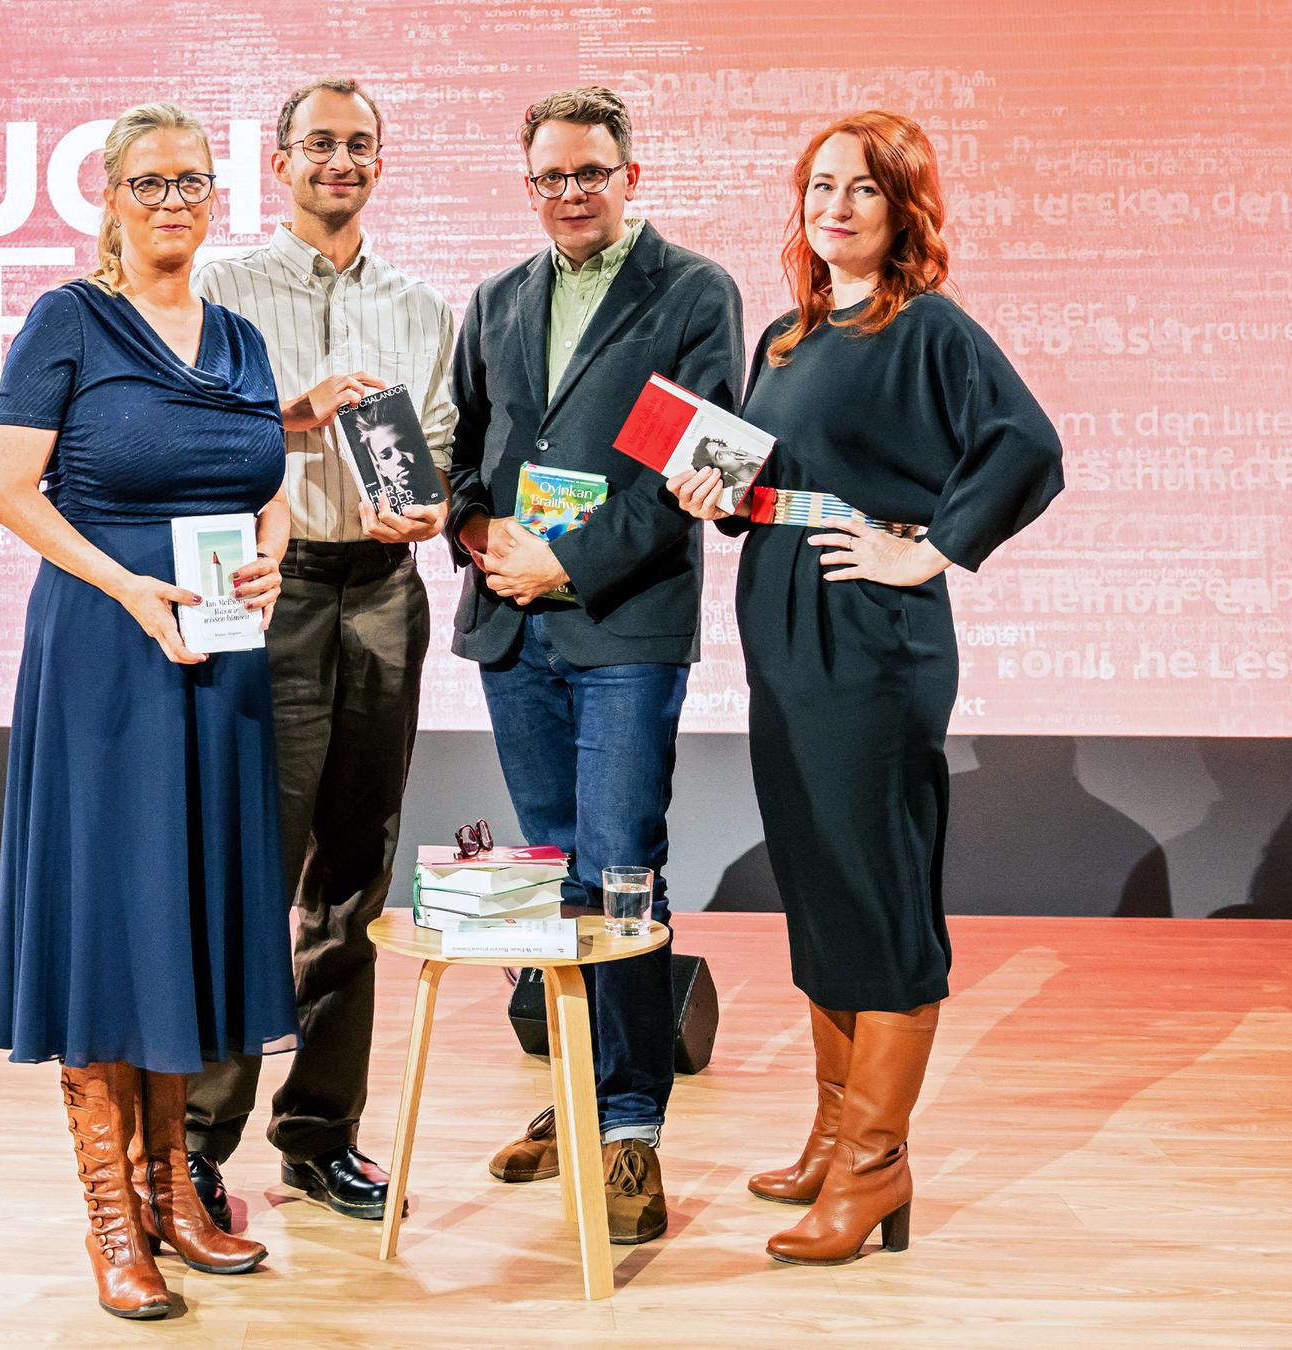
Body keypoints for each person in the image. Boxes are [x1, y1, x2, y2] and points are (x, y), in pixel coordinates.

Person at [668, 110, 1063, 1265]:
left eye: (863, 190)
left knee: (876, 882)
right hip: (784, 621)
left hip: (871, 627)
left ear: (902, 210)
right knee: (819, 871)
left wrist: (930, 548)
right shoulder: (787, 338)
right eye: (819, 186)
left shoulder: (927, 328)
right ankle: (834, 1134)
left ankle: (878, 1167)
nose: (834, 206)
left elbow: (1027, 446)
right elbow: (773, 478)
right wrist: (720, 496)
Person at [0, 102, 301, 1320]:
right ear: (109, 195)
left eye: (195, 182)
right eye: (152, 181)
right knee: (111, 927)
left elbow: (271, 482)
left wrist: (270, 555)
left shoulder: (241, 335)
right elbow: (10, 492)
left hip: (220, 660)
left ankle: (176, 1194)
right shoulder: (67, 322)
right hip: (108, 660)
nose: (176, 200)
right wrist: (125, 585)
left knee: (185, 923)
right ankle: (113, 1217)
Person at [441, 86, 743, 1245]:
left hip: (621, 624)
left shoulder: (693, 290)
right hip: (512, 630)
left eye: (591, 173)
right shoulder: (497, 297)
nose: (570, 194)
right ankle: (571, 1098)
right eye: (549, 178)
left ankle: (630, 1130)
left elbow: (695, 472)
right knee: (560, 878)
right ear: (529, 185)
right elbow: (465, 454)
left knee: (623, 874)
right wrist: (482, 540)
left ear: (632, 174)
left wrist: (564, 565)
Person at [183, 77, 457, 1229]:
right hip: (272, 589)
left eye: (361, 146)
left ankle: (320, 1134)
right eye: (319, 145)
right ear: (281, 162)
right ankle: (197, 1138)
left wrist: (432, 511)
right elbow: (182, 429)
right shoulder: (220, 289)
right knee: (256, 868)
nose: (340, 162)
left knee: (357, 875)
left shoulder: (422, 305)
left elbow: (435, 449)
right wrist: (285, 417)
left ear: (381, 163)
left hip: (384, 589)